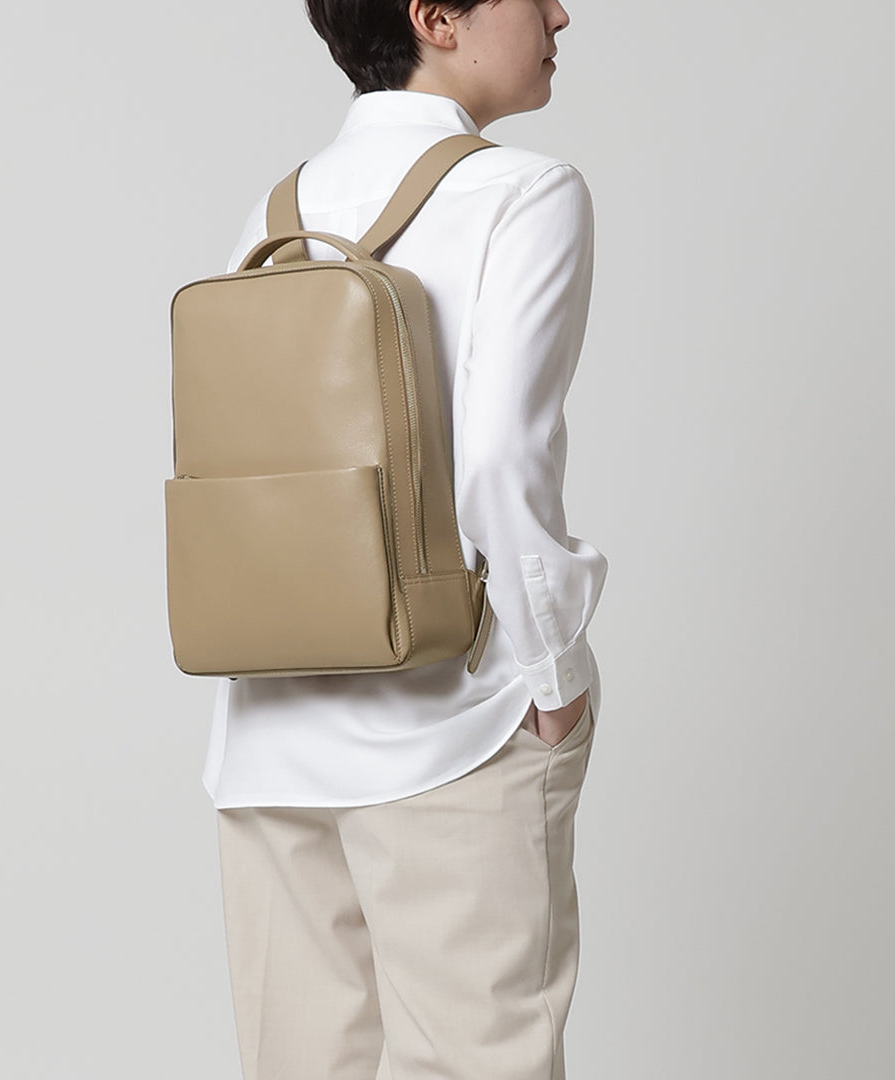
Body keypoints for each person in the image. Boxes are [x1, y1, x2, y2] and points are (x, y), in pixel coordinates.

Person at [204, 2, 608, 1077]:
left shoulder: (274, 214)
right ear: (434, 15)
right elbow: (500, 462)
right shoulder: (525, 192)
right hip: (452, 725)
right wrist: (554, 677)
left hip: (269, 734)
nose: (561, 12)